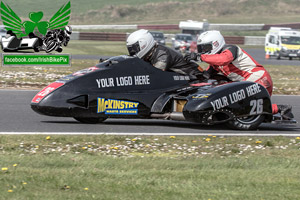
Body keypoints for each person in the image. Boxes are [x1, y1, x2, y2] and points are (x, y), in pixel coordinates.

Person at [184, 30, 293, 119]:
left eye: (206, 48)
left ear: (216, 44)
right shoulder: (214, 63)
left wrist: (199, 57)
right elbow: (206, 76)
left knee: (242, 107)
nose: (203, 51)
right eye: (201, 49)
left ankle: (279, 108)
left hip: (259, 79)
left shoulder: (231, 49)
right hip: (246, 82)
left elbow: (224, 60)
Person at [126, 29, 203, 80]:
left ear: (143, 44)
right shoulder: (150, 53)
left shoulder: (162, 54)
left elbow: (155, 76)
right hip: (182, 78)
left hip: (195, 77)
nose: (133, 52)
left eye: (134, 49)